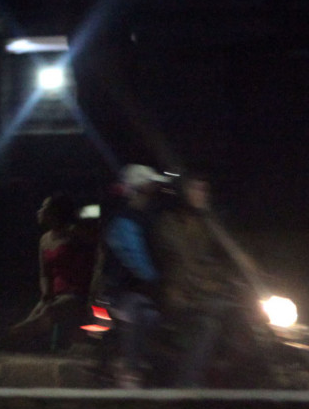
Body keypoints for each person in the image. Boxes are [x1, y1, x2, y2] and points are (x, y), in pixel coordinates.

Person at [153, 171, 238, 387]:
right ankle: (186, 385)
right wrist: (210, 284)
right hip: (178, 297)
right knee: (208, 324)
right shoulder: (170, 224)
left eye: (204, 189)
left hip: (202, 294)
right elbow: (184, 263)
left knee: (243, 313)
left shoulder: (207, 225)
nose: (201, 194)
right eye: (195, 189)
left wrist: (244, 276)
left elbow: (224, 257)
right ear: (183, 192)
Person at [98, 164, 170, 387]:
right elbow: (135, 259)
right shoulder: (125, 221)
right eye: (151, 186)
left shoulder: (150, 217)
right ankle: (130, 370)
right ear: (140, 189)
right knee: (139, 312)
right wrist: (156, 282)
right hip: (122, 291)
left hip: (144, 289)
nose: (155, 191)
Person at [9, 192, 96, 350]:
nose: (39, 211)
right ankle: (16, 337)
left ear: (56, 213)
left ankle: (10, 335)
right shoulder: (44, 239)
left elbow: (97, 255)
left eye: (44, 208)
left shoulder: (75, 233)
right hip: (54, 294)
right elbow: (44, 273)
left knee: (49, 311)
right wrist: (46, 292)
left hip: (76, 293)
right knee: (37, 312)